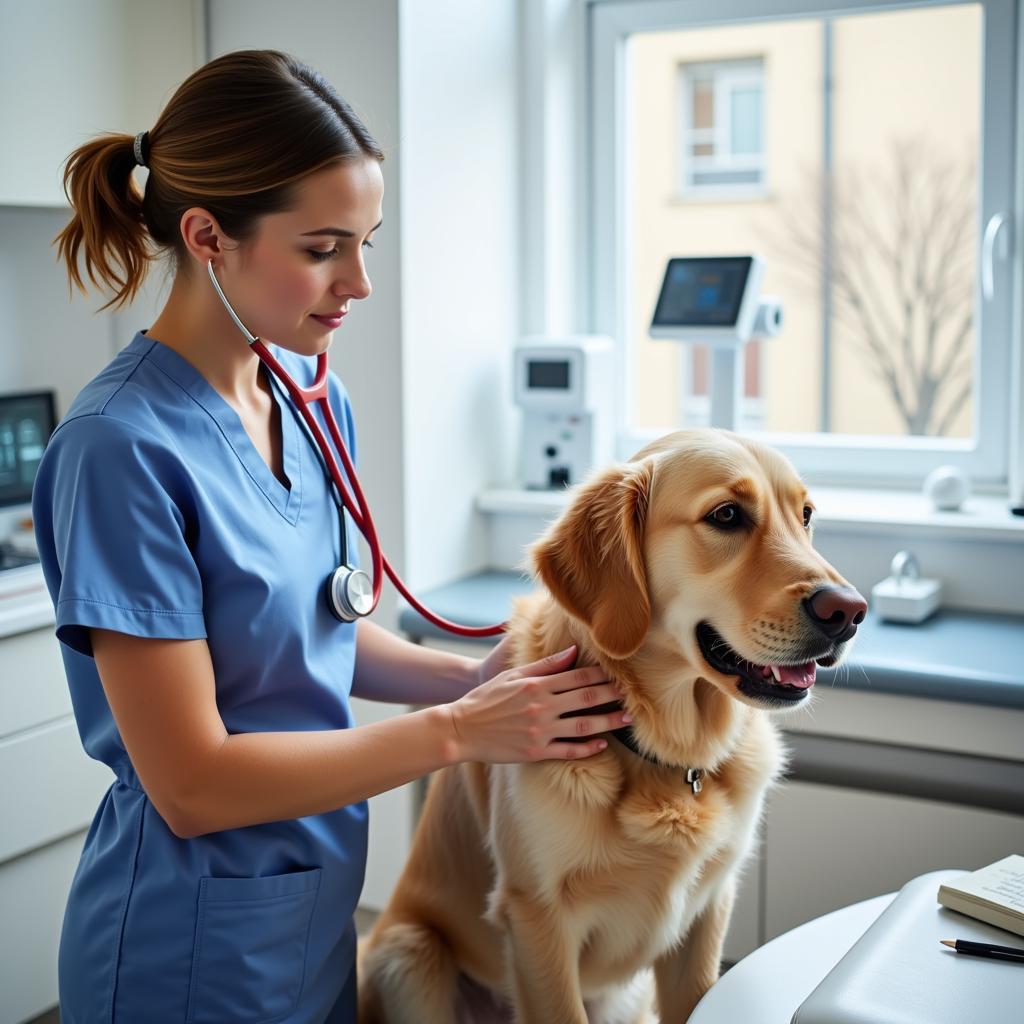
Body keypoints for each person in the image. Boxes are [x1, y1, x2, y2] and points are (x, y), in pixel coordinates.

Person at [32, 49, 631, 1024]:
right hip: (186, 948)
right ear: (207, 236)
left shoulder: (310, 398)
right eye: (321, 248)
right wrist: (456, 731)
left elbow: (311, 634)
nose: (356, 280)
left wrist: (475, 680)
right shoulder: (118, 449)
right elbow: (191, 782)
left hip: (310, 920)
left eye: (367, 241)